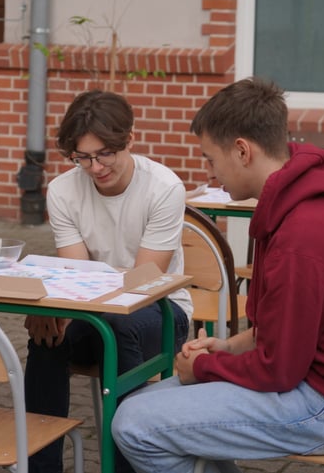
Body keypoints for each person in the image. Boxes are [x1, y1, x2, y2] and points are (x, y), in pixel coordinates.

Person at [111, 77, 324, 473]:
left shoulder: (301, 235)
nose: (210, 173)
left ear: (243, 151)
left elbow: (279, 369)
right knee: (142, 406)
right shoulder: (300, 201)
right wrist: (226, 349)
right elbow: (277, 336)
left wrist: (205, 369)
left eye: (210, 159)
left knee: (134, 424)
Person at [24, 89, 193, 473]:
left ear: (129, 139)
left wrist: (77, 303)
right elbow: (75, 273)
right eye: (82, 157)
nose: (95, 167)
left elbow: (144, 281)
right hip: (96, 309)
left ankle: (125, 463)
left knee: (118, 326)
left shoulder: (164, 187)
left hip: (163, 312)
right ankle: (40, 464)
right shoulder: (64, 190)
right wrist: (54, 311)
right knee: (45, 333)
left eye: (104, 154)